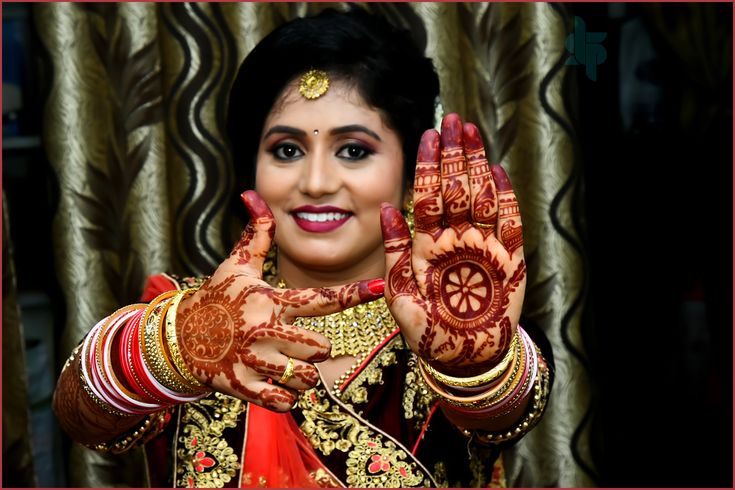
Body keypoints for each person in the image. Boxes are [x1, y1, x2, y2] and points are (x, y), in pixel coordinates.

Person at [52, 6, 552, 488]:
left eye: (353, 151)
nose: (314, 182)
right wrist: (180, 346)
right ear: (253, 169)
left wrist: (472, 363)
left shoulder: (454, 320)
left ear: (410, 176)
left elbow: (507, 408)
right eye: (286, 150)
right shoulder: (195, 319)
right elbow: (81, 417)